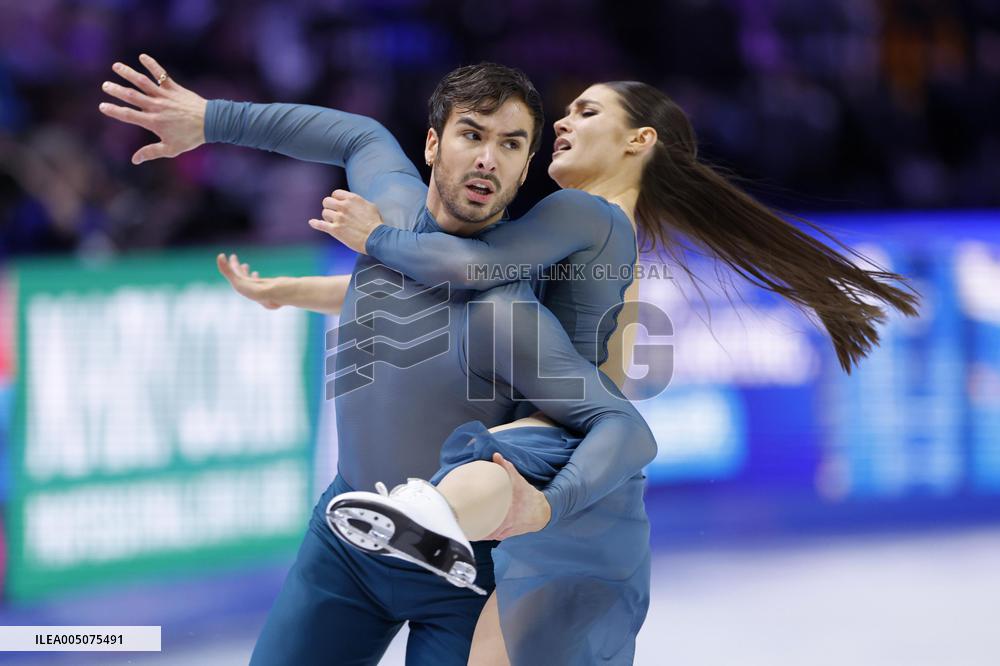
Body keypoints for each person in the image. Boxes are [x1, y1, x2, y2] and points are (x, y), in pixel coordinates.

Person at [228, 81, 923, 664]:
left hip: (554, 433)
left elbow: (464, 274)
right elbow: (445, 295)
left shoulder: (582, 212)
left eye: (588, 112)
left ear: (638, 142)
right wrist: (302, 290)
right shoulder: (592, 222)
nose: (563, 120)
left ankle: (427, 517)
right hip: (563, 448)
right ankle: (430, 520)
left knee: (481, 458)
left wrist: (372, 236)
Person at [100, 56, 659, 665]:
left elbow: (623, 426)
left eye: (510, 144)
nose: (486, 159)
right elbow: (353, 134)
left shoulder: (507, 315)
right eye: (472, 133)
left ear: (527, 168)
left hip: (465, 579)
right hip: (343, 548)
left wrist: (552, 502)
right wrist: (209, 118)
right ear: (431, 143)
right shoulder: (388, 206)